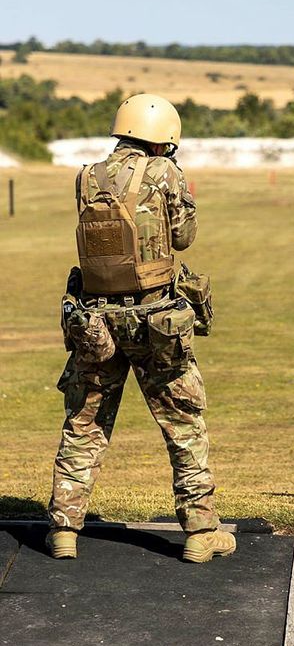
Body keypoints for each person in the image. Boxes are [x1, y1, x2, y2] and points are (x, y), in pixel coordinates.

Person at [46, 94, 235, 563]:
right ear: (164, 139)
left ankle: (64, 530)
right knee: (184, 423)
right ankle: (199, 531)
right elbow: (184, 237)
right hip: (155, 321)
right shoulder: (166, 173)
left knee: (84, 423)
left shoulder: (87, 175)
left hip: (94, 321)